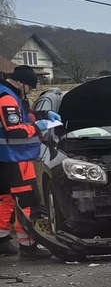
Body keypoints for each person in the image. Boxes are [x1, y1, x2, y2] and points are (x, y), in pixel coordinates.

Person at [0, 66, 57, 259]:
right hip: (16, 157)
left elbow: (25, 115)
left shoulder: (9, 95)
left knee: (5, 200)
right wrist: (37, 127)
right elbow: (15, 130)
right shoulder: (7, 99)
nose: (31, 91)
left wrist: (43, 115)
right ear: (20, 82)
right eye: (30, 87)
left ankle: (2, 240)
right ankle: (29, 246)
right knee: (27, 202)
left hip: (5, 158)